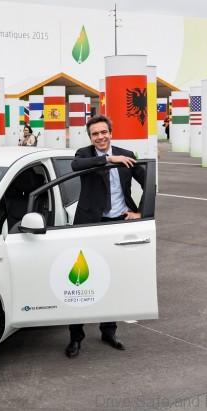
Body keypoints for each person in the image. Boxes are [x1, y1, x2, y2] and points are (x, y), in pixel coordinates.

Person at [65, 114, 146, 359]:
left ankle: (109, 332)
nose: (100, 137)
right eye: (95, 134)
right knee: (80, 280)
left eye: (104, 132)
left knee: (113, 277)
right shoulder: (84, 154)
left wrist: (141, 212)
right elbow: (76, 166)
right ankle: (75, 337)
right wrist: (109, 159)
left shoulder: (127, 154)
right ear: (90, 137)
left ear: (111, 132)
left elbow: (149, 182)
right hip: (89, 224)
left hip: (118, 223)